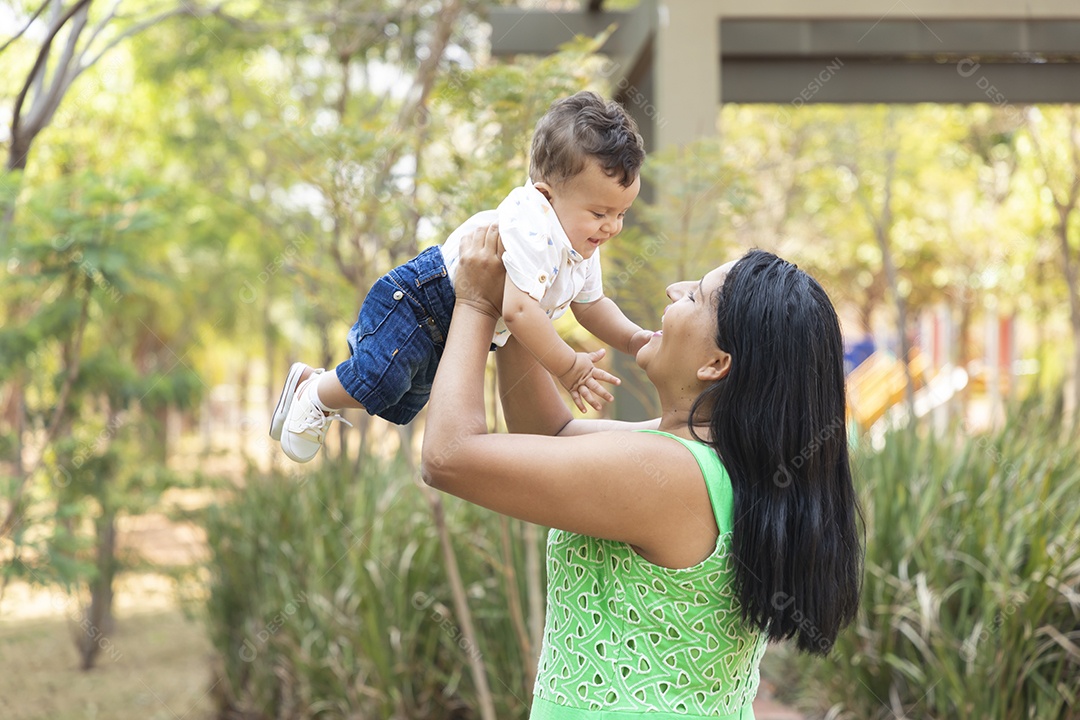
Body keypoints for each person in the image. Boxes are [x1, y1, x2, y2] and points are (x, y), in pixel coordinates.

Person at [421, 226, 863, 718]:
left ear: (717, 363)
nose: (673, 291)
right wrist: (521, 295)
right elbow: (552, 434)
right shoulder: (717, 460)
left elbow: (448, 457)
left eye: (694, 296)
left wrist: (475, 303)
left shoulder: (668, 471)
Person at [270, 91, 651, 462]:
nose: (612, 227)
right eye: (599, 213)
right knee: (380, 379)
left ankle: (315, 385)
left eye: (621, 213)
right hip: (421, 299)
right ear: (546, 197)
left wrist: (633, 339)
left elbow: (592, 305)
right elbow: (518, 311)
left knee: (400, 399)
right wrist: (568, 367)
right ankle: (313, 390)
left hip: (454, 323)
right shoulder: (533, 223)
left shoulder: (579, 243)